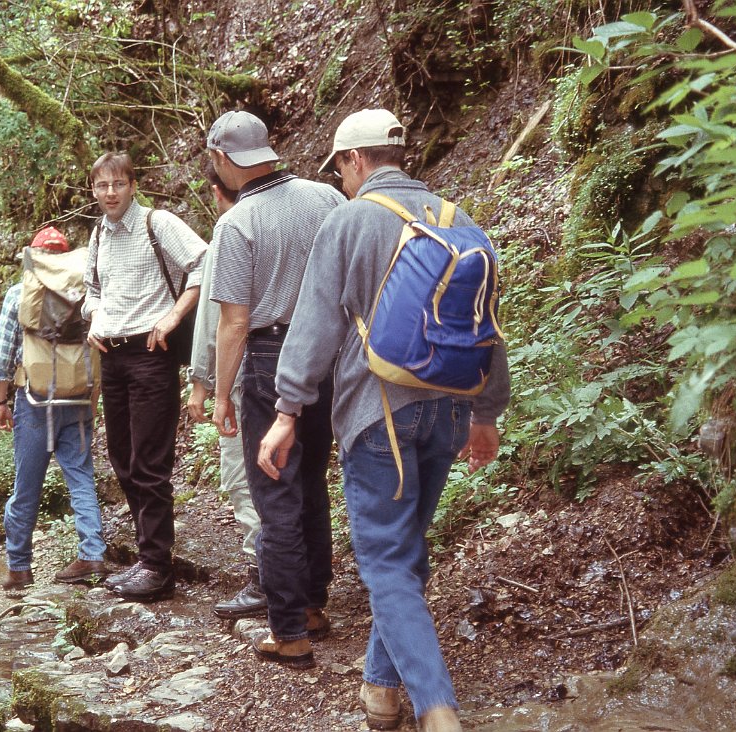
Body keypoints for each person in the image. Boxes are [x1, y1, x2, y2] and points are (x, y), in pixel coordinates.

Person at [257, 108, 511, 731]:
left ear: (355, 160)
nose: (341, 179)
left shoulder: (350, 222)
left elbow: (315, 324)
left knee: (388, 564)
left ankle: (437, 708)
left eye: (339, 167)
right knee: (404, 553)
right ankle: (379, 689)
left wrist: (286, 410)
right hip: (451, 409)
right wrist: (486, 412)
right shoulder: (458, 221)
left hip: (379, 419)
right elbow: (489, 326)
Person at [206, 110, 345, 669]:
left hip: (269, 355)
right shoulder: (327, 199)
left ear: (222, 160)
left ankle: (288, 631)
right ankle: (313, 604)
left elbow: (234, 323)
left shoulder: (237, 223)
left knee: (276, 493)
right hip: (330, 353)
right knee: (310, 480)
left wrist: (220, 394)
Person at [83, 152, 207, 603]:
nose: (110, 193)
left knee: (149, 463)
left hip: (152, 354)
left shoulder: (158, 223)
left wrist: (174, 317)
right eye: (102, 186)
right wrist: (95, 317)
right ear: (93, 190)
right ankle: (146, 557)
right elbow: (93, 289)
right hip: (111, 356)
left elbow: (204, 263)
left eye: (118, 184)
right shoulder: (98, 233)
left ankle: (158, 566)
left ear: (133, 184)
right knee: (121, 458)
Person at [0, 226, 107, 592]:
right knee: (81, 478)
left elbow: (4, 354)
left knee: (26, 486)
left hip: (35, 399)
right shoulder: (89, 292)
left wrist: (1, 400)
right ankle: (93, 555)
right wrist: (94, 398)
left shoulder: (19, 294)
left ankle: (20, 568)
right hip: (78, 398)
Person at [186, 162, 266, 620]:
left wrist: (203, 384)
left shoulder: (229, 232)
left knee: (242, 476)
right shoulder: (298, 216)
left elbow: (215, 322)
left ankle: (262, 576)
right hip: (298, 370)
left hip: (242, 376)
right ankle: (304, 581)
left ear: (218, 192)